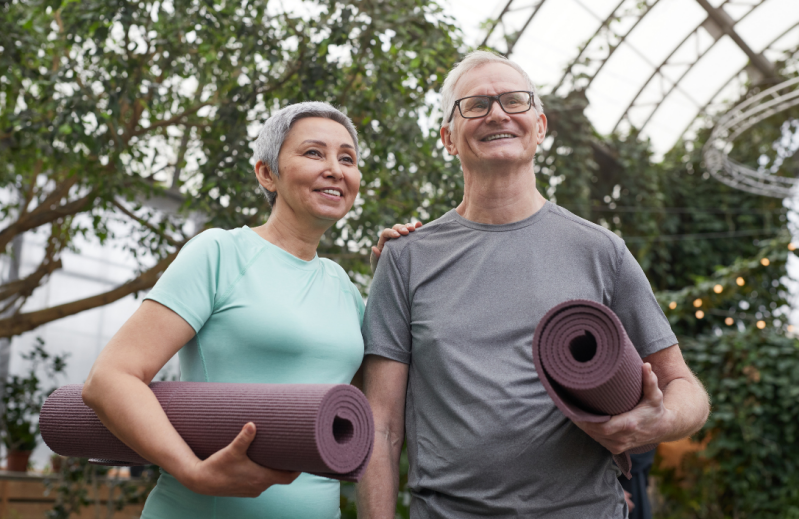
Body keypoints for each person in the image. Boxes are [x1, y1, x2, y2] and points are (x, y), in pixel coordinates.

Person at [358, 51, 710, 518]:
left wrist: (658, 421)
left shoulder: (600, 250)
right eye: (476, 105)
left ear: (539, 127)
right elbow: (381, 427)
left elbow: (685, 387)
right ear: (448, 138)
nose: (497, 114)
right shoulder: (406, 258)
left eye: (514, 100)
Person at [82, 101, 416, 519]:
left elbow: (372, 413)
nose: (335, 169)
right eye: (314, 153)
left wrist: (393, 280)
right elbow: (109, 378)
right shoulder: (220, 253)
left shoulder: (345, 289)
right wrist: (192, 471)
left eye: (347, 158)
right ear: (266, 174)